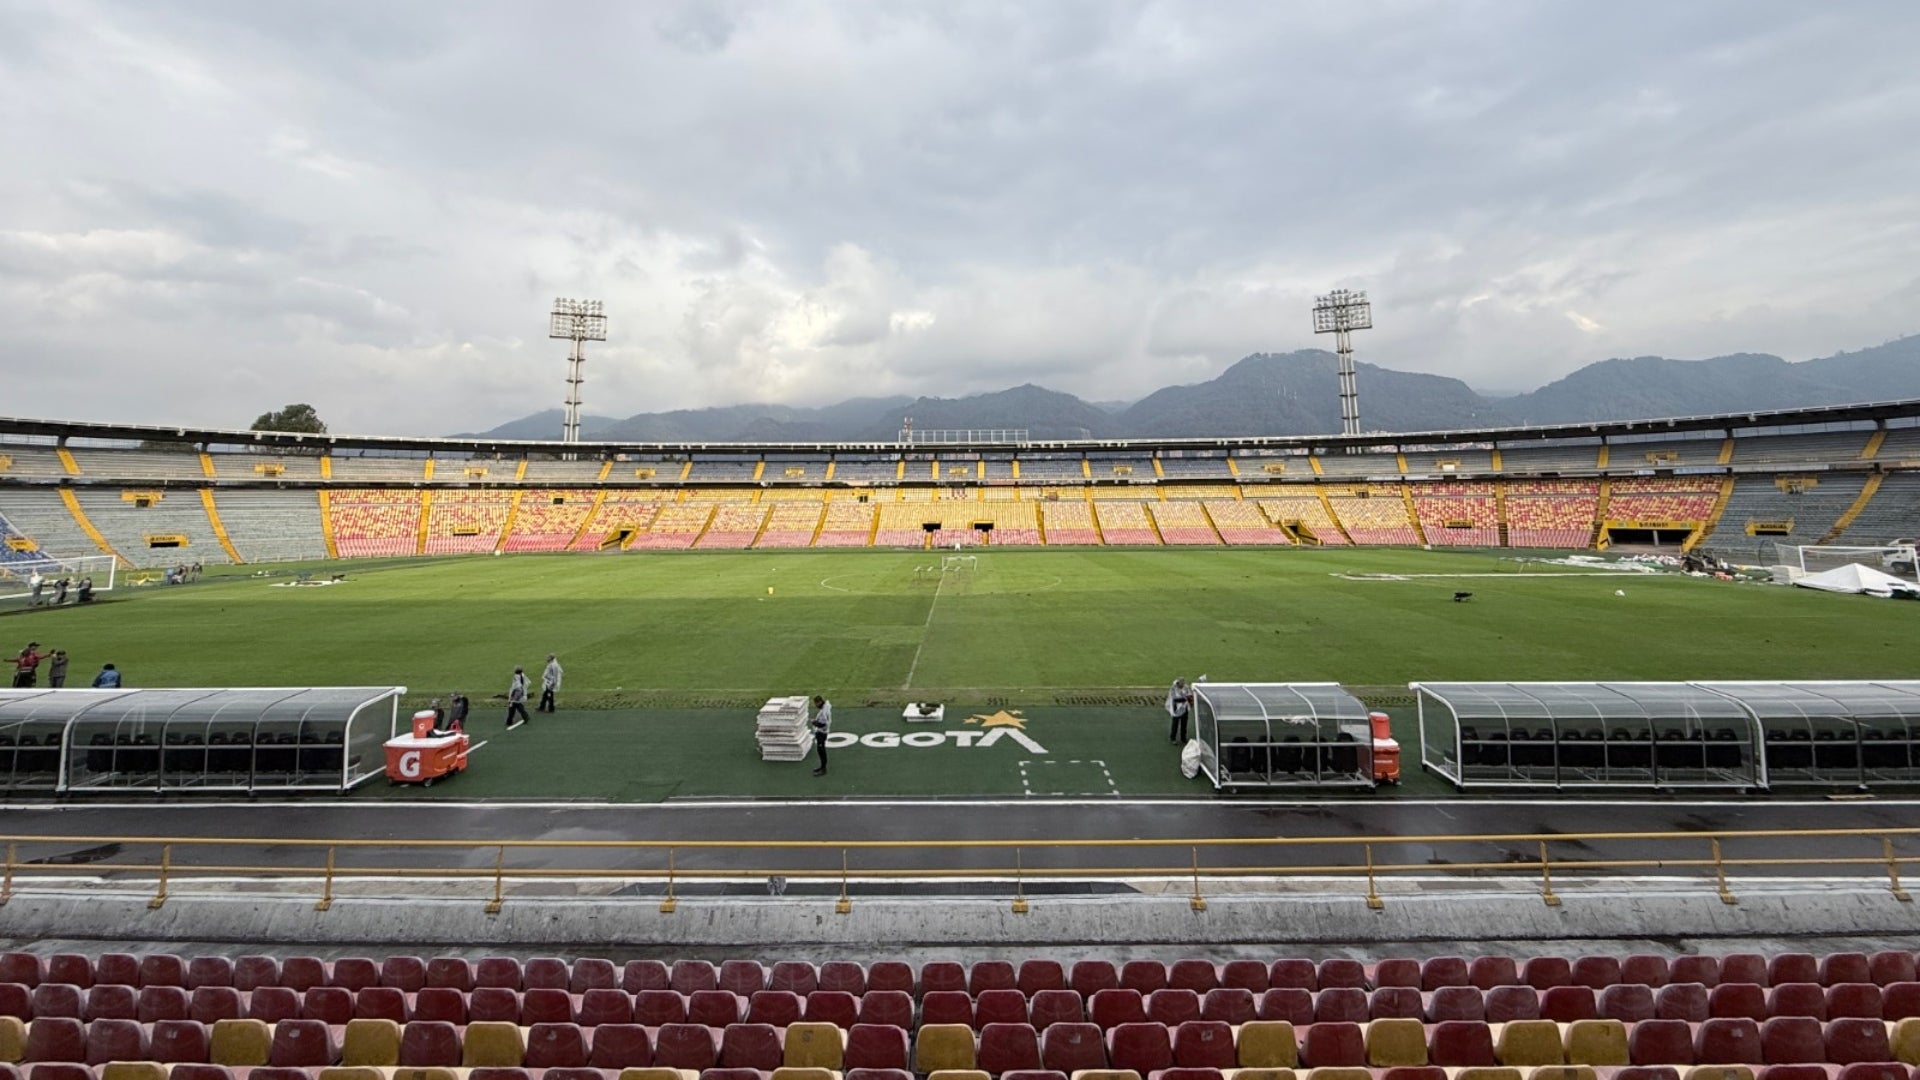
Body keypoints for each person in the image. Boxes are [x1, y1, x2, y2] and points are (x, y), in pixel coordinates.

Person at [1166, 677, 1194, 745]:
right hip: (1176, 709)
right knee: (1175, 724)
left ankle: (1183, 738)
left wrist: (1190, 701)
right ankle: (1173, 738)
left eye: (1183, 683)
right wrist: (1185, 699)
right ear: (1178, 683)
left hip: (1184, 708)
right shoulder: (1173, 688)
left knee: (1184, 724)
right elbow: (1175, 699)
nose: (1182, 685)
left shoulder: (1186, 687)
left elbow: (1190, 695)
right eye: (1181, 684)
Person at [810, 695, 833, 776]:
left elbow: (823, 724)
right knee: (821, 750)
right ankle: (822, 767)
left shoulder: (823, 712)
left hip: (822, 733)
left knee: (821, 751)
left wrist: (814, 723)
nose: (815, 705)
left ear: (819, 702)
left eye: (816, 703)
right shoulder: (825, 708)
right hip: (822, 732)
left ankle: (823, 769)